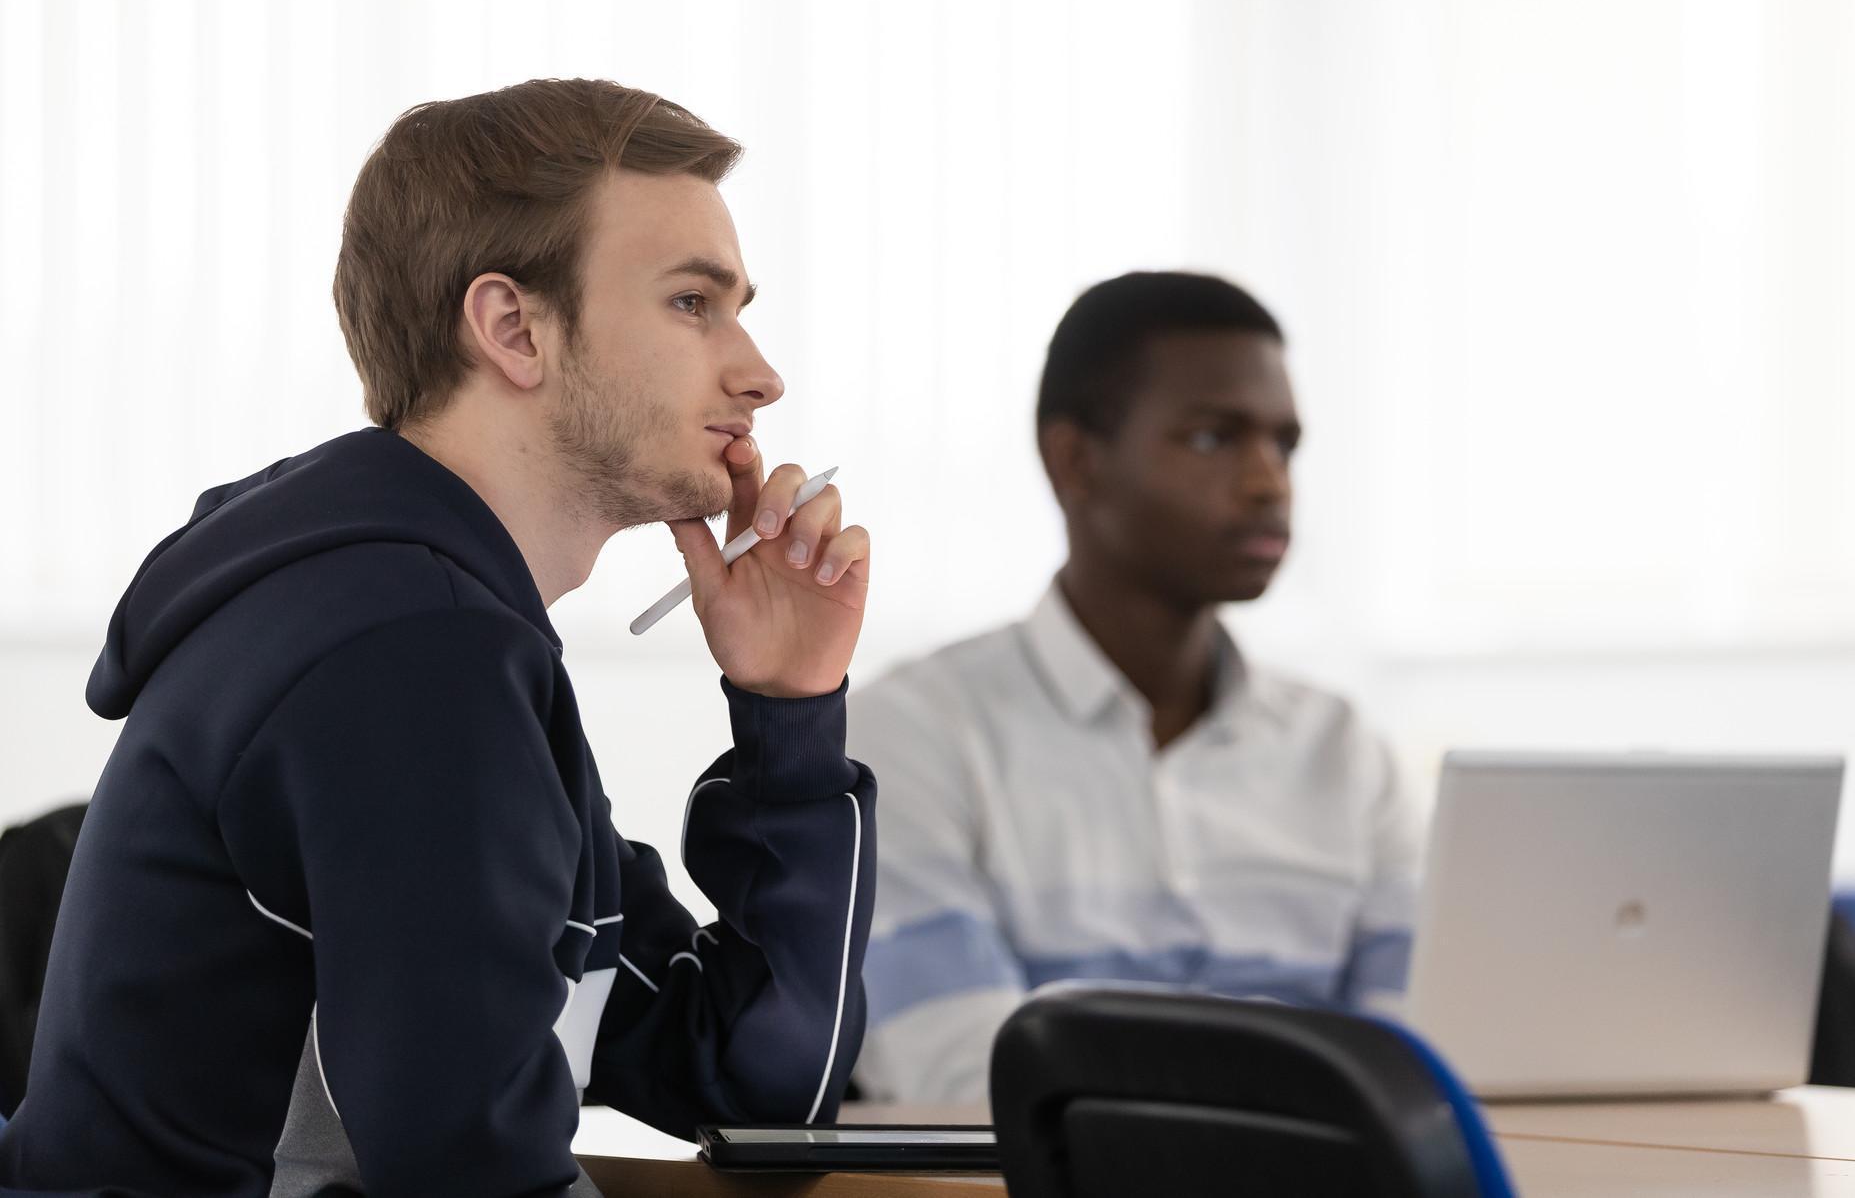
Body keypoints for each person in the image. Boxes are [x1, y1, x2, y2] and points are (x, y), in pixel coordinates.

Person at [0, 79, 877, 1196]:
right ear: (514, 328)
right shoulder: (408, 651)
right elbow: (473, 1177)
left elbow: (754, 1085)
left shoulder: (448, 633)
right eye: (692, 304)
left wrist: (790, 716)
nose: (758, 371)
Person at [853, 272, 1418, 1104]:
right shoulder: (909, 738)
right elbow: (971, 1084)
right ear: (1075, 459)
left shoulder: (1347, 757)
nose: (1270, 482)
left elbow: (1416, 1079)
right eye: (1211, 438)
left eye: (1284, 443)